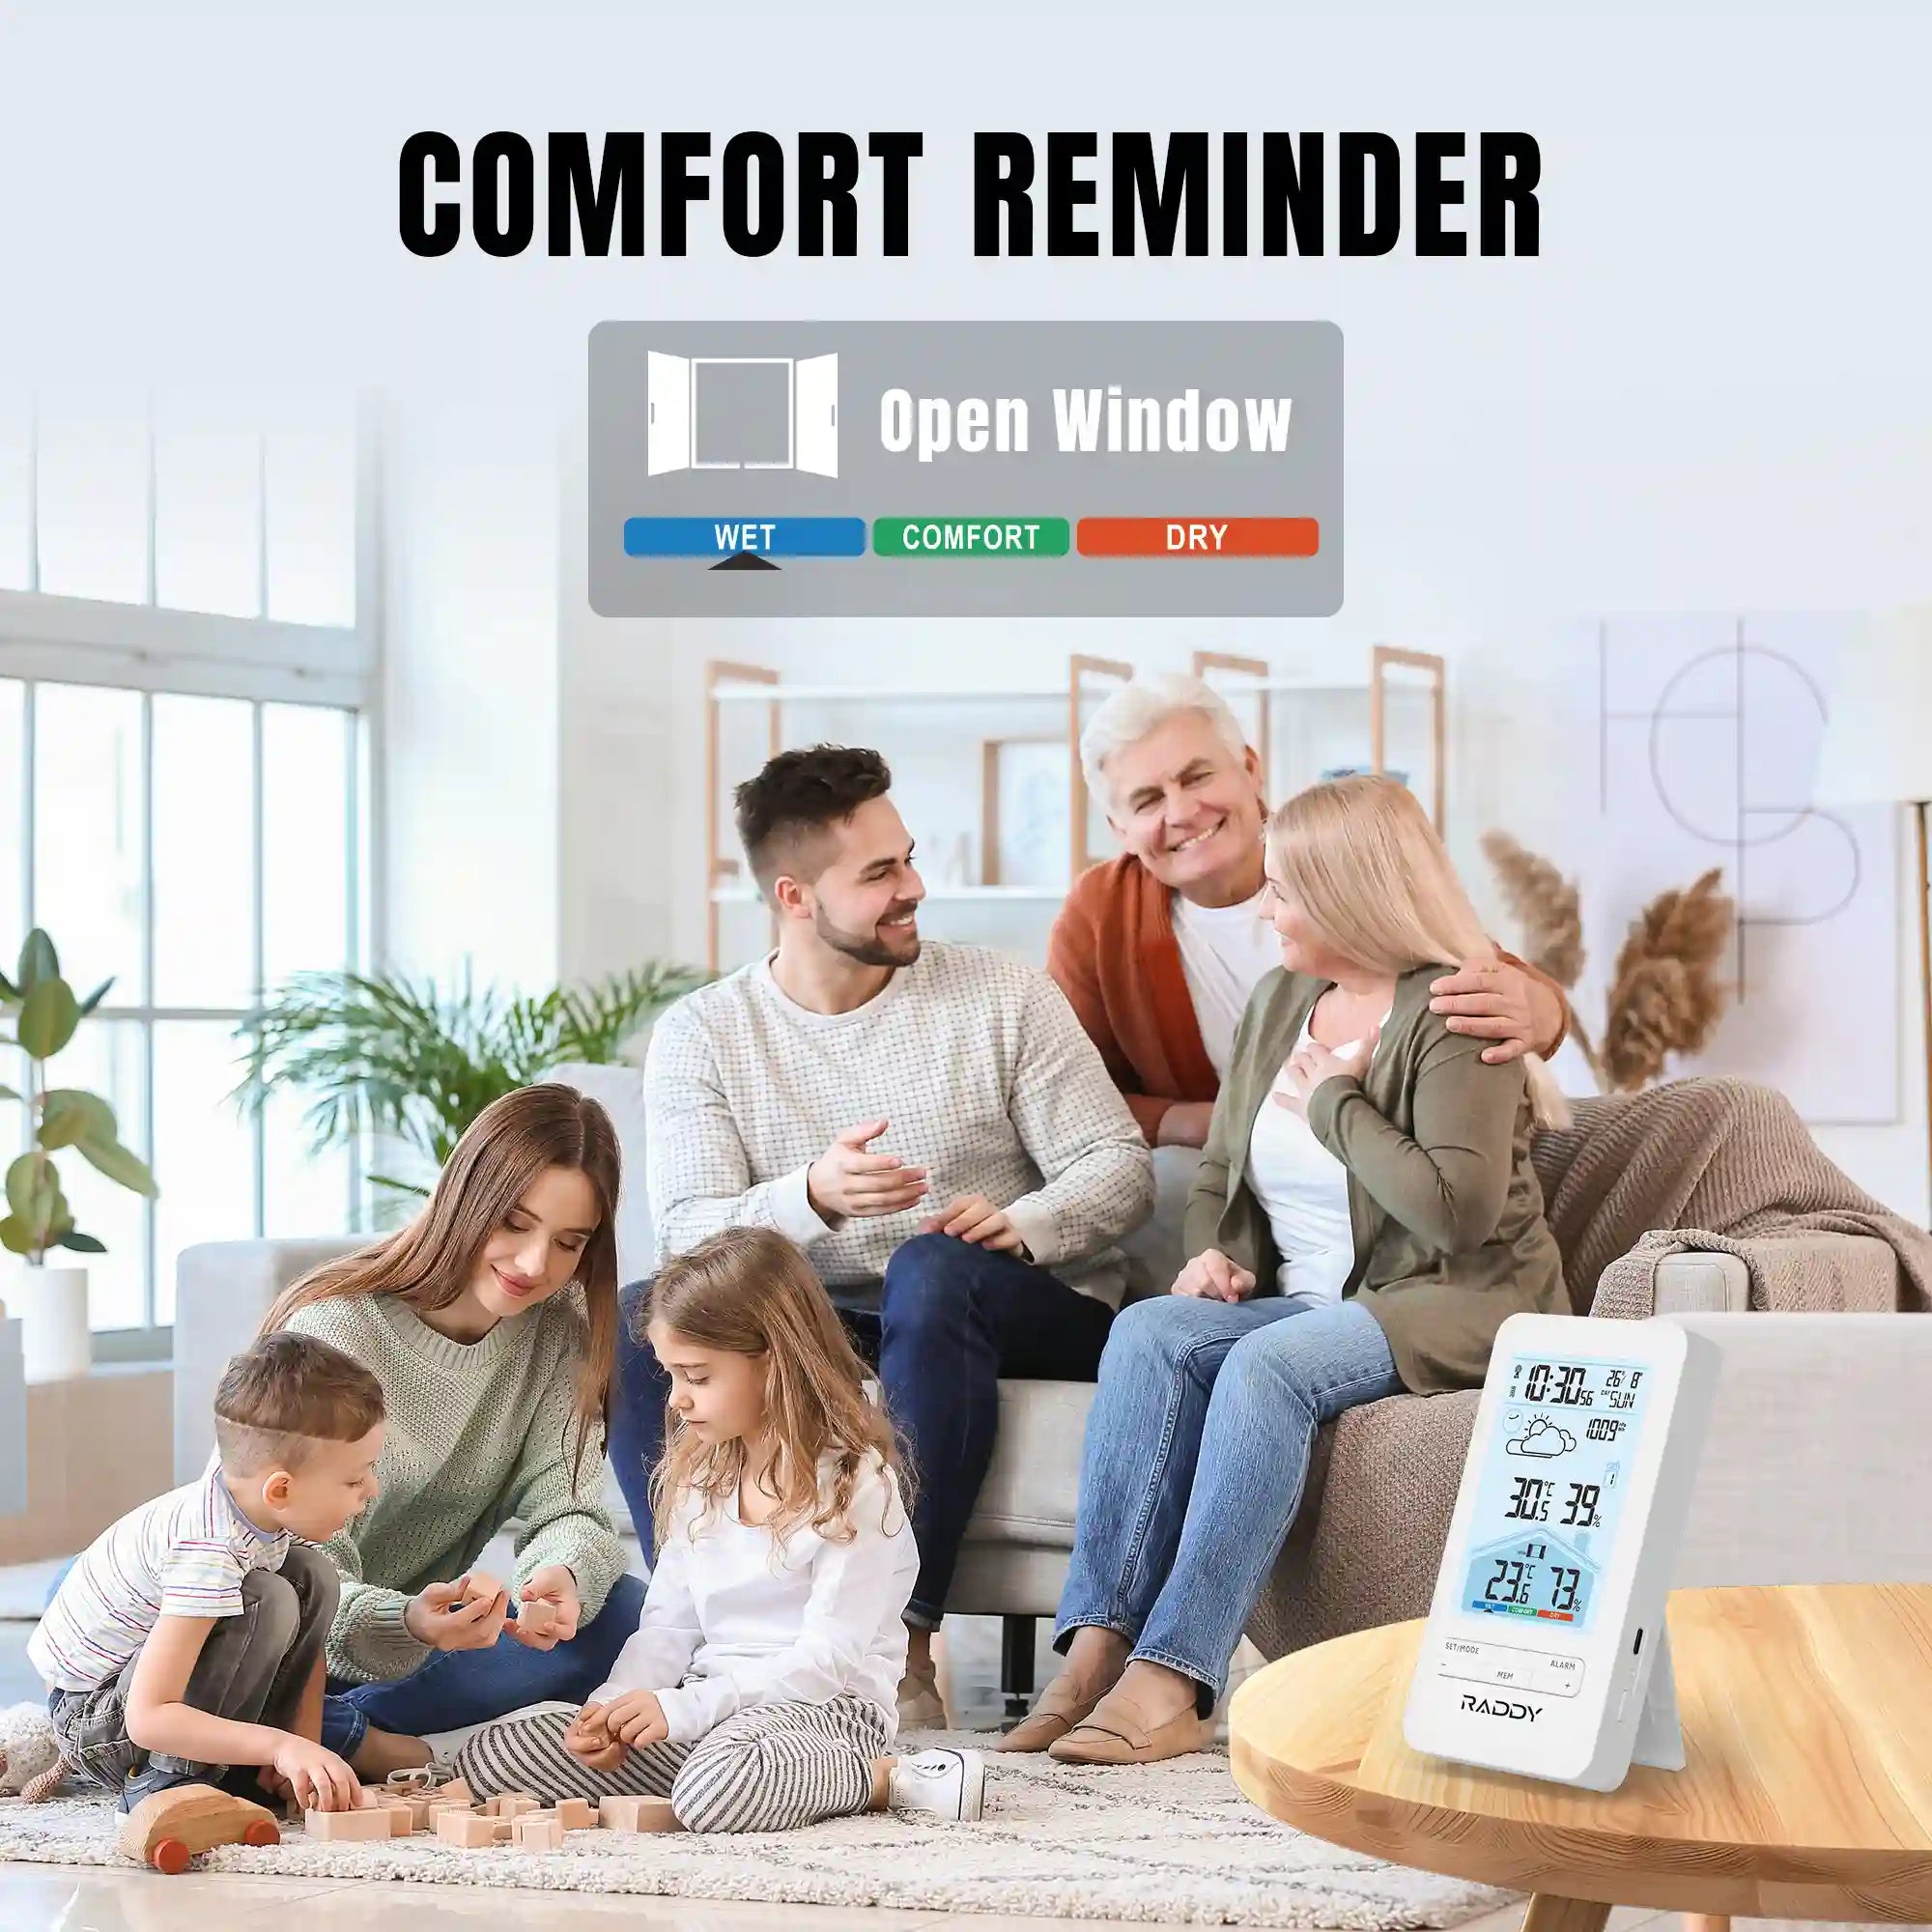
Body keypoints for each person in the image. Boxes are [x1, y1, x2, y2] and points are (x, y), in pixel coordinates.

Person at [1006, 774, 1569, 1765]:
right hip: (1312, 1299)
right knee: (1148, 1330)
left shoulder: (1453, 1011)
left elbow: (1458, 1209)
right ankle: (1096, 1647)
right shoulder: (1280, 1000)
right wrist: (1219, 1251)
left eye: (1284, 892)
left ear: (1351, 894)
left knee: (1264, 1367)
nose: (1264, 910)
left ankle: (1179, 1677)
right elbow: (1223, 1162)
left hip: (1459, 1299)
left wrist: (1338, 1107)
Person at [618, 745, 1153, 1726]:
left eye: (905, 858)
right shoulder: (703, 1032)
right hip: (824, 1313)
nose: (913, 887)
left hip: (1007, 1300)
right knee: (645, 1314)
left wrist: (1024, 1221)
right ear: (793, 895)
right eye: (879, 873)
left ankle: (901, 1640)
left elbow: (1118, 1166)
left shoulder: (1001, 994)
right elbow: (689, 1234)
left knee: (931, 1268)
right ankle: (707, 1636)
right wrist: (811, 1196)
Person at [455, 1228, 985, 1832]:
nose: (677, 1400)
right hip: (710, 1707)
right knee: (497, 1756)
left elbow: (824, 1661)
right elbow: (669, 1626)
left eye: (698, 1377)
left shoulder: (855, 1485)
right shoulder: (699, 1477)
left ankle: (885, 1778)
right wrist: (613, 1707)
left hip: (826, 1710)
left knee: (718, 1791)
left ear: (775, 1362)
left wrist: (684, 1709)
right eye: (672, 1376)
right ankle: (704, 1773)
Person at [265, 1083, 647, 1776]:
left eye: (569, 1243)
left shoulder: (558, 1334)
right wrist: (404, 1621)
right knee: (198, 1632)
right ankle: (354, 1735)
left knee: (626, 1614)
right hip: (307, 1639)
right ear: (466, 1198)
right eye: (514, 1223)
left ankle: (336, 1738)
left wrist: (556, 1575)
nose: (535, 1265)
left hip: (424, 1650)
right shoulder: (337, 1333)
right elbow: (289, 1575)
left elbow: (570, 1509)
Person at [1049, 673, 1570, 1150]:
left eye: (1197, 777)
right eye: (1147, 801)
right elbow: (1065, 1095)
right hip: (1224, 1171)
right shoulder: (1100, 913)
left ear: (1250, 769)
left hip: (1397, 1160)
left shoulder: (1335, 851)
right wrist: (1215, 1123)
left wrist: (1539, 1012)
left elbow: (1481, 966)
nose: (1182, 812)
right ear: (1119, 831)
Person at [30, 1332, 381, 1813]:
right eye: (355, 1479)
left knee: (314, 1576)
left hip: (140, 1707)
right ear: (280, 1490)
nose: (370, 1491)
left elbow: (310, 1650)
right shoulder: (207, 1546)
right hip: (99, 1725)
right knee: (266, 1600)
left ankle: (248, 1771)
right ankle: (167, 1783)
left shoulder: (255, 1495)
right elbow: (149, 1718)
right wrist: (279, 1745)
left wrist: (303, 1751)